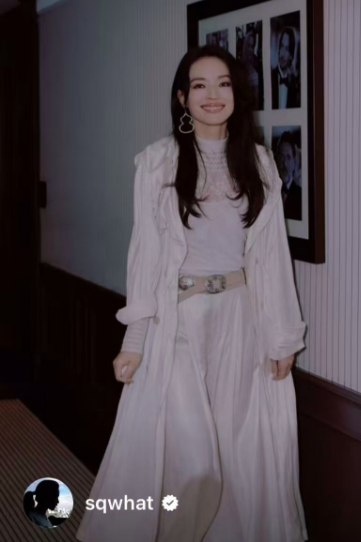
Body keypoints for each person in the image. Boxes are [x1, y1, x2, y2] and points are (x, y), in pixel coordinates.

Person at [76, 44, 308, 542]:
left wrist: (282, 338)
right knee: (193, 464)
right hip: (179, 324)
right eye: (199, 85)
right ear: (182, 98)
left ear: (237, 94)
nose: (212, 95)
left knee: (239, 459)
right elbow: (146, 254)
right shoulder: (158, 163)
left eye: (223, 84)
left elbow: (272, 257)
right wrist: (134, 341)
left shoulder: (260, 163)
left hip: (241, 324)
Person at [271, 26, 301, 109]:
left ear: (291, 56)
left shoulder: (295, 85)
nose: (282, 54)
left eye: (287, 49)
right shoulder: (270, 77)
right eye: (281, 46)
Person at [275, 131, 302, 220]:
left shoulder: (301, 195)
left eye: (288, 157)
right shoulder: (270, 190)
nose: (284, 162)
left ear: (294, 161)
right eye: (281, 156)